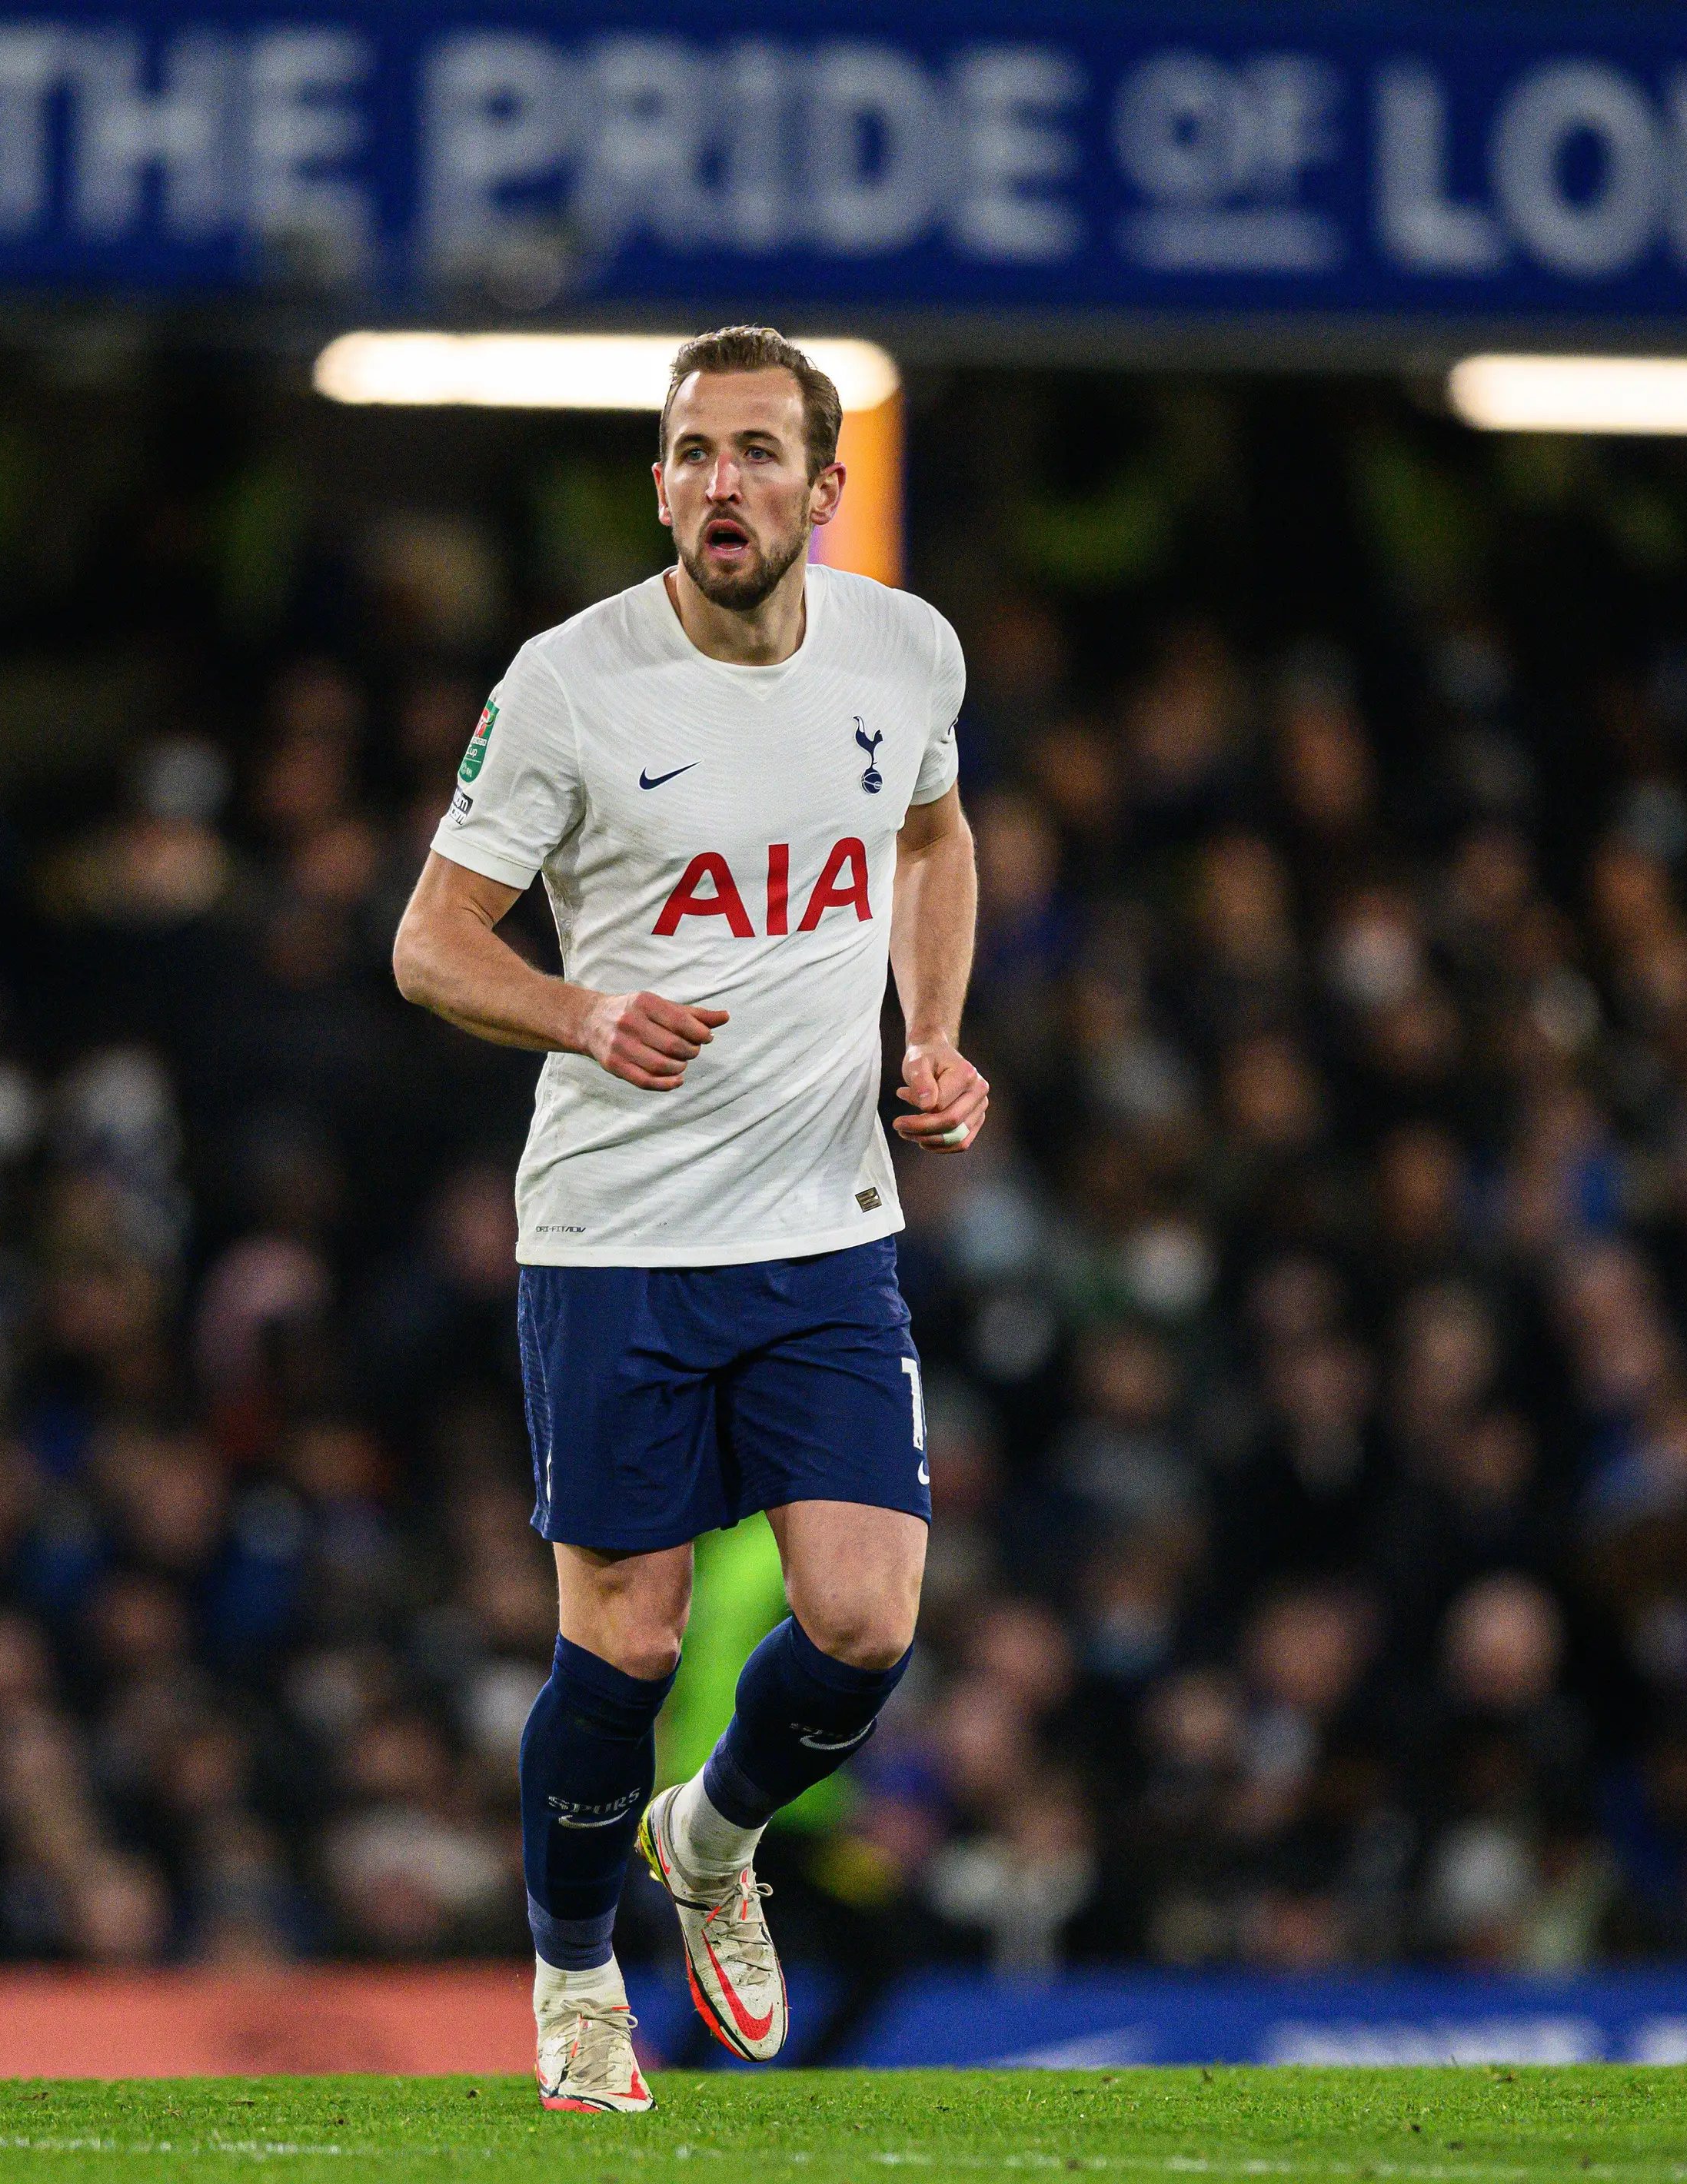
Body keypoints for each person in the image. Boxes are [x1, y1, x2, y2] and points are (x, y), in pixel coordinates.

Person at [390, 326, 985, 2114]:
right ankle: (576, 1976)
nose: (721, 483)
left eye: (753, 451)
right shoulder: (574, 683)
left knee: (869, 1623)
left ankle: (710, 1835)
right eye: (691, 455)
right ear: (659, 485)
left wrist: (937, 1031)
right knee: (626, 1644)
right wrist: (583, 1012)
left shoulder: (908, 649)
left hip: (822, 1223)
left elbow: (934, 841)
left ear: (823, 482)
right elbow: (430, 944)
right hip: (617, 1240)